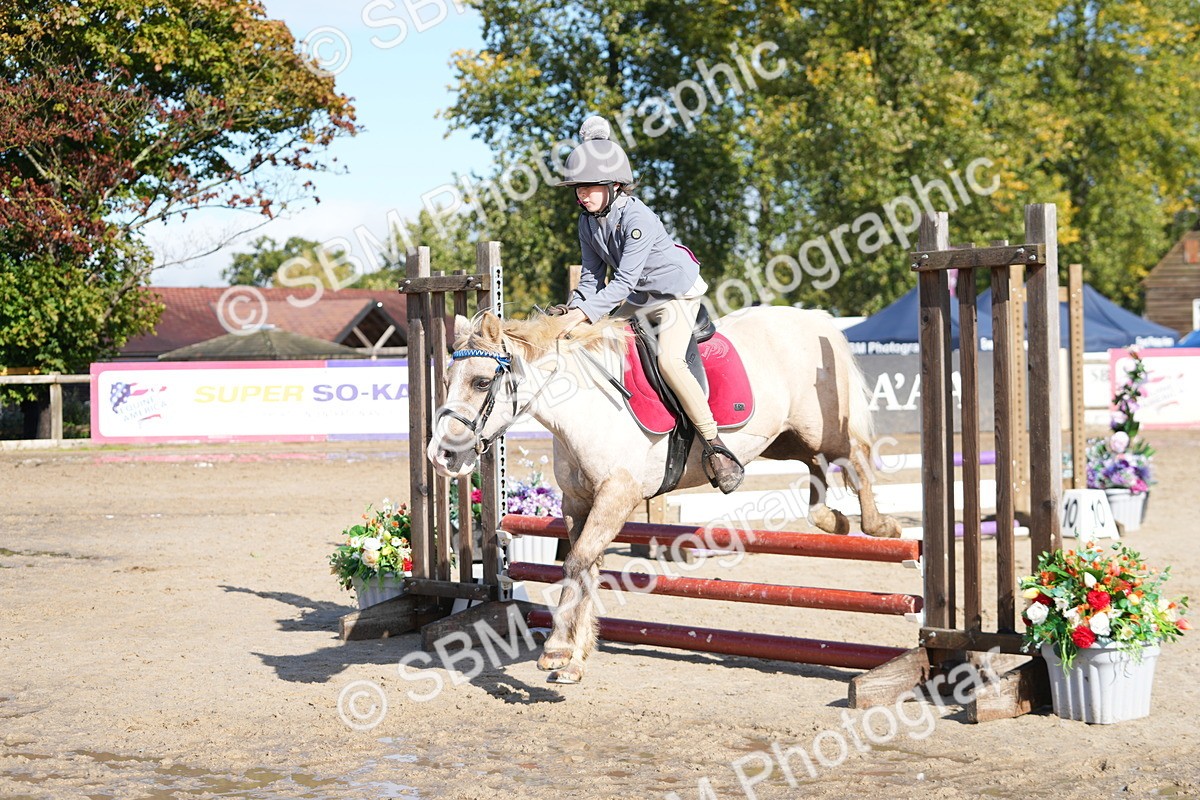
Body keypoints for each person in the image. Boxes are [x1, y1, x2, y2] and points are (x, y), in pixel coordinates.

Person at [547, 115, 744, 494]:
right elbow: (591, 280)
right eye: (578, 188)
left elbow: (622, 282)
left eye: (590, 187)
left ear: (614, 185)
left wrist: (583, 314)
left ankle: (715, 445)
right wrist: (572, 311)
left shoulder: (637, 217)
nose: (582, 195)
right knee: (596, 345)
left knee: (670, 362)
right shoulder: (587, 223)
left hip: (675, 293)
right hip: (638, 298)